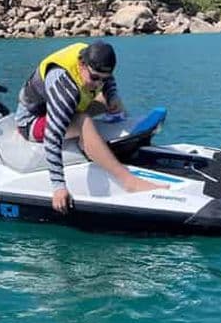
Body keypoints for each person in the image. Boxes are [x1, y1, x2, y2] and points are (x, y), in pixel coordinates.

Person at [15, 41, 166, 214]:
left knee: (108, 101)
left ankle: (124, 143)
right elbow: (52, 137)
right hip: (32, 122)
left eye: (104, 79)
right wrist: (58, 187)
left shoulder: (93, 62)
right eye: (94, 78)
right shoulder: (63, 84)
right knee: (82, 121)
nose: (98, 84)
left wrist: (112, 96)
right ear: (81, 65)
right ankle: (129, 182)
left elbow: (105, 78)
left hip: (70, 106)